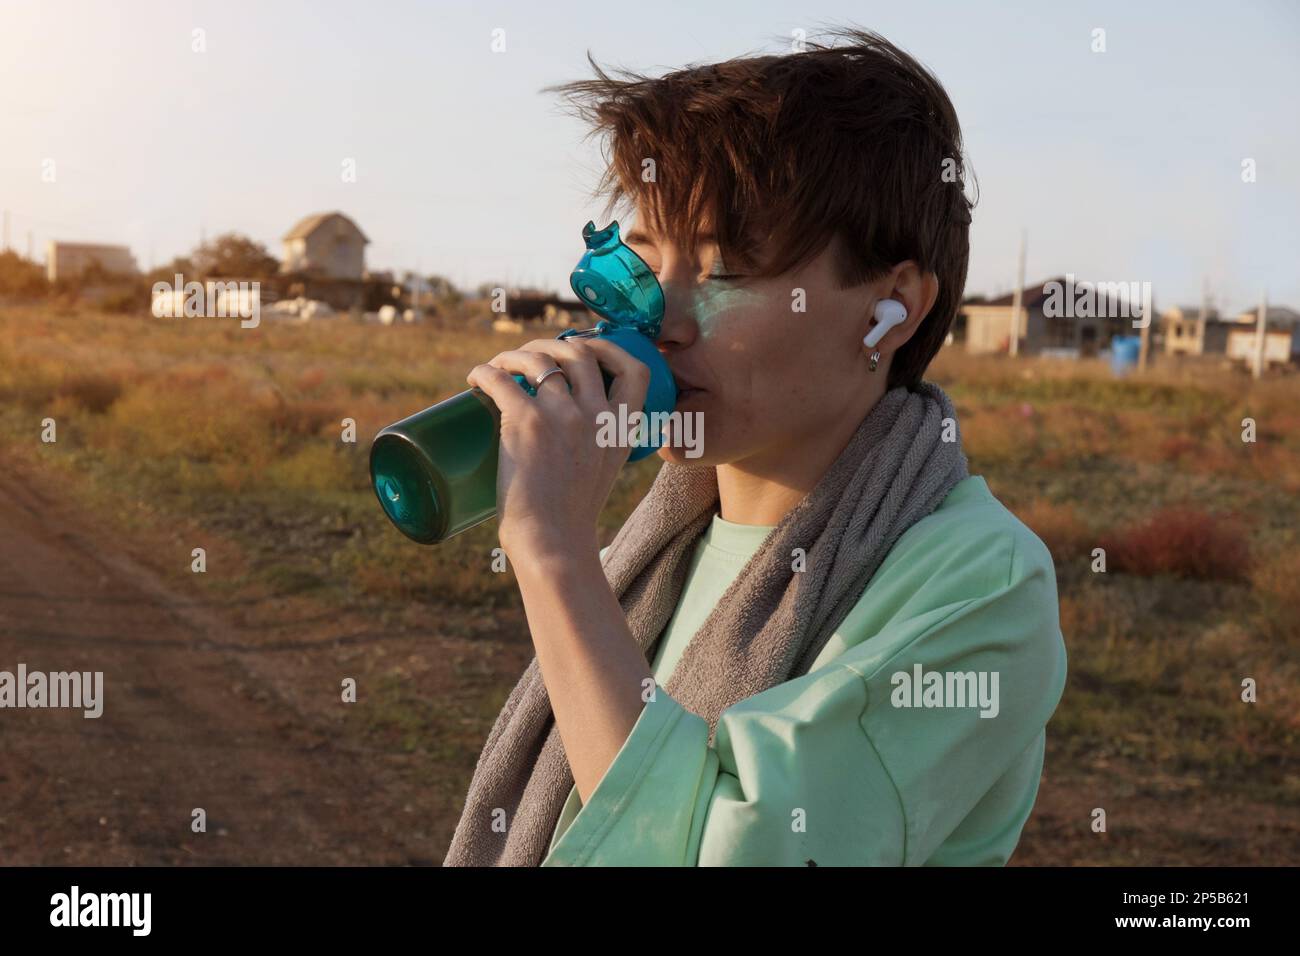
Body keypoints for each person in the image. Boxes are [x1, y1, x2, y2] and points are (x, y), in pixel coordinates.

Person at [442, 27, 1067, 867]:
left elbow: (735, 851)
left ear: (893, 308)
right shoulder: (669, 536)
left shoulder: (982, 583)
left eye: (725, 270)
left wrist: (555, 555)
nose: (658, 320)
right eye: (642, 262)